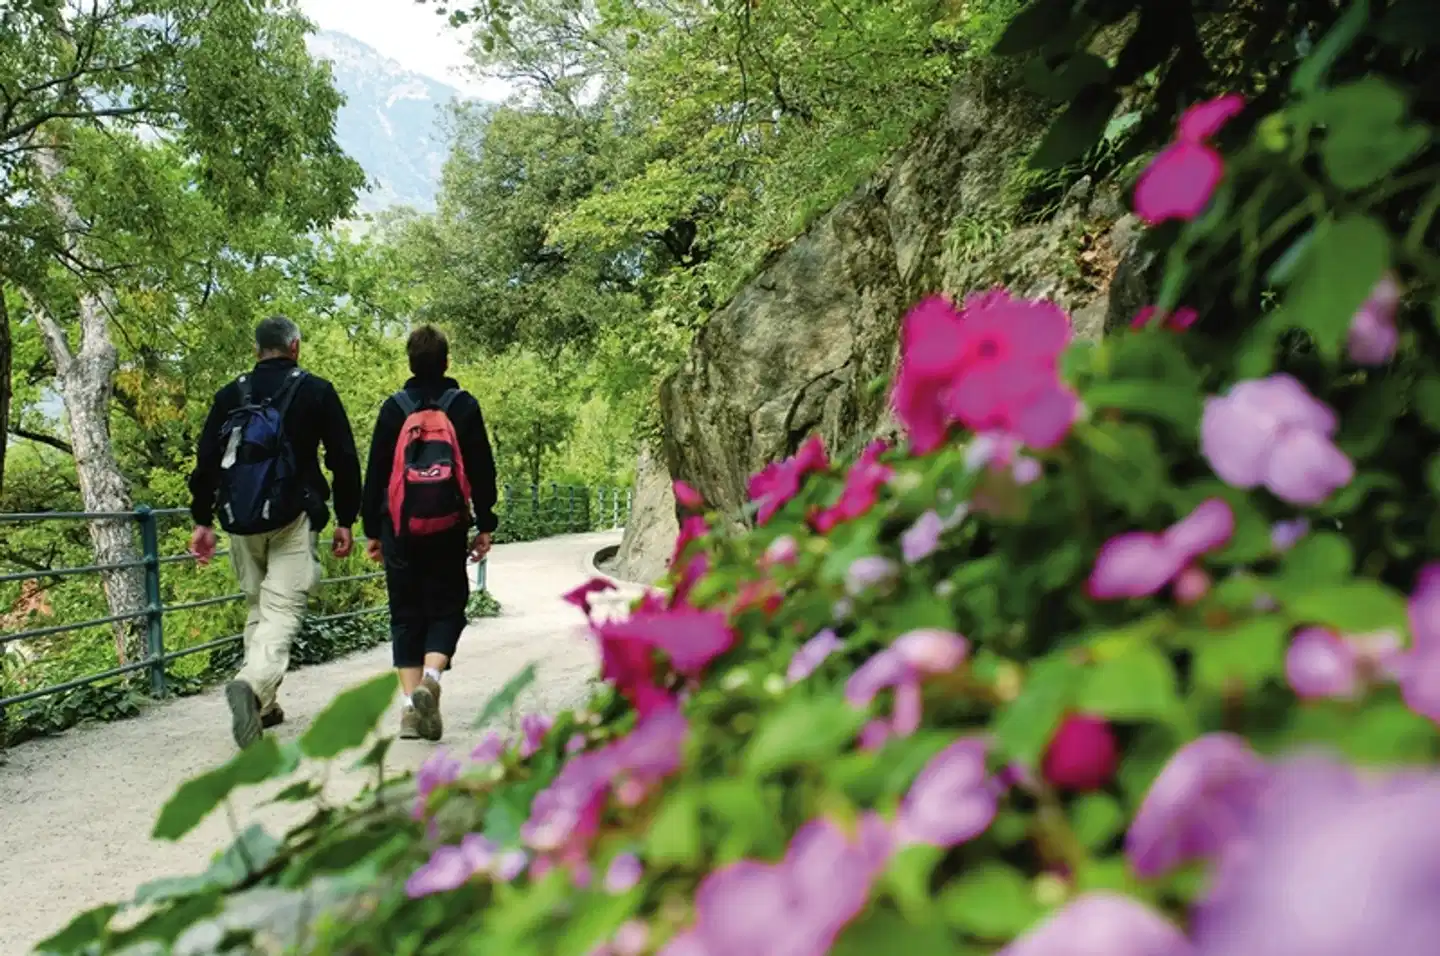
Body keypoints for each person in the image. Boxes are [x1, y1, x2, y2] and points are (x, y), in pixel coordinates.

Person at [188, 315, 362, 749]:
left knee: (257, 605)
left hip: (241, 519)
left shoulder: (232, 393)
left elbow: (207, 459)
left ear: (257, 350)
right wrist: (345, 518)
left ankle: (264, 707)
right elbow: (343, 457)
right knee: (282, 610)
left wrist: (202, 520)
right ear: (295, 347)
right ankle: (252, 684)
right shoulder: (315, 390)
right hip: (292, 516)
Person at [361, 324, 498, 742]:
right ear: (446, 361)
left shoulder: (394, 408)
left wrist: (373, 529)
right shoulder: (464, 406)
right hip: (447, 527)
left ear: (410, 362)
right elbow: (481, 467)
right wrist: (486, 522)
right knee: (448, 607)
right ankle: (431, 680)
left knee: (405, 616)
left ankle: (407, 713)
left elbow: (377, 474)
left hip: (400, 529)